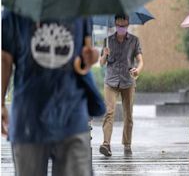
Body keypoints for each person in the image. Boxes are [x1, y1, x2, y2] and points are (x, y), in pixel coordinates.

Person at [1, 10, 99, 176]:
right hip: (32, 120)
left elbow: (85, 57)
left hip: (66, 116)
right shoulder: (16, 9)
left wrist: (91, 57)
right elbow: (5, 58)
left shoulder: (81, 6)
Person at [99, 14, 143, 157]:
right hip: (110, 81)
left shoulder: (134, 41)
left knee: (128, 115)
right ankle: (106, 144)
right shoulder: (107, 41)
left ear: (128, 24)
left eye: (124, 26)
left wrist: (138, 70)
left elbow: (140, 61)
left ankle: (127, 144)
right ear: (115, 25)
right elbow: (101, 63)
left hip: (128, 81)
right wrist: (105, 55)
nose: (121, 28)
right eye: (119, 25)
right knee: (109, 112)